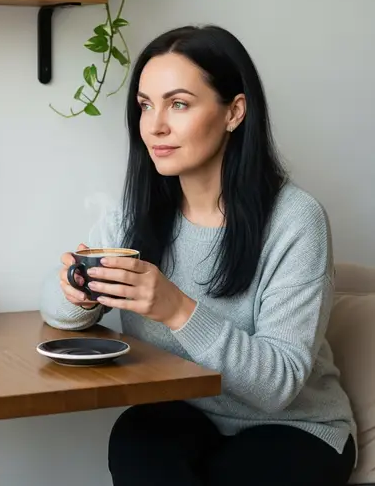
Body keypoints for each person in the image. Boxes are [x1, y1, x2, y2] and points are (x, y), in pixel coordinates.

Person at [40, 24, 356, 485]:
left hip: (294, 427)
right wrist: (79, 294)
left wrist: (176, 309)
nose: (155, 125)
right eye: (146, 105)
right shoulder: (137, 211)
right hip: (186, 416)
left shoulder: (295, 220)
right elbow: (54, 305)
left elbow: (278, 385)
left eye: (179, 104)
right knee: (136, 436)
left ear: (235, 112)